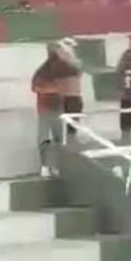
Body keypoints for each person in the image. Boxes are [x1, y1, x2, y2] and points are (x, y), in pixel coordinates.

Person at [31, 42, 83, 175]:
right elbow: (35, 87)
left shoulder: (63, 67)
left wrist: (69, 55)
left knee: (59, 139)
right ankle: (45, 166)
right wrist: (54, 89)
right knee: (44, 140)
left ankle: (56, 166)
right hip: (45, 110)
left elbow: (76, 71)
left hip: (58, 109)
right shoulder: (43, 70)